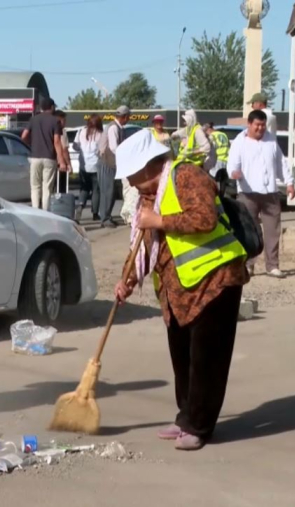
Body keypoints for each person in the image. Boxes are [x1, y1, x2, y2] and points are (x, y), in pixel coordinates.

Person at [114, 130, 248, 451]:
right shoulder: (149, 196)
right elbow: (143, 245)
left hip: (214, 280)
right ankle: (186, 416)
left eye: (132, 175)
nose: (130, 182)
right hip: (178, 291)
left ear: (149, 165)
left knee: (206, 359)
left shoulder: (186, 175)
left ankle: (200, 426)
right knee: (182, 358)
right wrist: (127, 279)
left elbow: (205, 219)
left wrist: (159, 220)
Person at [228, 110, 295, 279]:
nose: (260, 128)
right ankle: (249, 264)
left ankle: (272, 266)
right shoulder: (239, 142)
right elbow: (232, 165)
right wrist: (235, 173)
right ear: (249, 124)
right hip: (248, 193)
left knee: (273, 231)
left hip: (270, 193)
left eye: (263, 125)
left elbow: (281, 163)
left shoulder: (271, 140)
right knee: (249, 231)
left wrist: (289, 183)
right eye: (257, 125)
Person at [22, 98, 66, 210]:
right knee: (47, 187)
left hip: (35, 157)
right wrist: (61, 161)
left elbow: (24, 136)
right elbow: (57, 142)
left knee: (35, 186)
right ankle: (45, 212)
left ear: (41, 108)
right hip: (49, 158)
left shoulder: (33, 119)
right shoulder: (55, 121)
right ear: (52, 107)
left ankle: (36, 210)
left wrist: (31, 144)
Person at [73, 114, 104, 221]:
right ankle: (95, 213)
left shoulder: (81, 131)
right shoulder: (101, 134)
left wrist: (82, 149)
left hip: (83, 165)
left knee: (84, 188)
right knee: (96, 189)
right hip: (96, 165)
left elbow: (75, 146)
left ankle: (80, 205)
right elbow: (102, 150)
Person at [104, 105, 130, 228]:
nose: (128, 119)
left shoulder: (118, 127)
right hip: (108, 162)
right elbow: (114, 148)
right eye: (128, 117)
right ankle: (105, 218)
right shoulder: (113, 128)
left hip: (113, 162)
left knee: (112, 191)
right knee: (109, 191)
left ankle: (107, 216)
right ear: (124, 117)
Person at [171, 110, 215, 174]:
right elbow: (176, 134)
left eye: (185, 121)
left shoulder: (197, 131)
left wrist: (193, 152)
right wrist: (174, 137)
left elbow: (207, 147)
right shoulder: (188, 129)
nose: (184, 123)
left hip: (196, 164)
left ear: (190, 120)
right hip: (187, 161)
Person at [204, 122, 231, 195]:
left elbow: (210, 149)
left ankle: (216, 196)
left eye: (206, 131)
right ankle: (222, 196)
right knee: (223, 180)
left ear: (209, 129)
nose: (206, 133)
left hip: (217, 160)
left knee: (214, 179)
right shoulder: (223, 134)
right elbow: (228, 145)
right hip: (226, 159)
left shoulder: (212, 136)